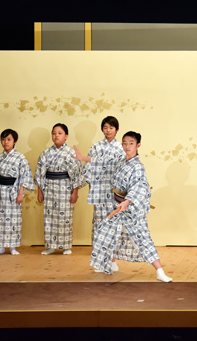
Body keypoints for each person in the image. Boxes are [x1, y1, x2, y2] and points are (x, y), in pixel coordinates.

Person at [90, 131, 172, 282]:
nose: (127, 146)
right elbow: (104, 163)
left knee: (143, 238)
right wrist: (83, 158)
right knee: (108, 232)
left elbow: (139, 186)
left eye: (131, 143)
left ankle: (160, 271)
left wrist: (127, 202)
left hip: (131, 207)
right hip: (116, 204)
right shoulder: (120, 161)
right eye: (124, 143)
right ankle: (111, 263)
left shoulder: (138, 167)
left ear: (138, 145)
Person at [72, 116, 129, 272]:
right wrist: (91, 186)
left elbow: (124, 169)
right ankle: (101, 260)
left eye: (111, 128)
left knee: (114, 224)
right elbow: (88, 169)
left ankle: (112, 259)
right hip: (99, 191)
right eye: (105, 127)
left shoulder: (121, 148)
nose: (108, 130)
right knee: (100, 225)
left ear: (117, 130)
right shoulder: (96, 147)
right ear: (102, 129)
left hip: (115, 191)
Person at [0, 129, 35, 256]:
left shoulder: (20, 158)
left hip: (13, 191)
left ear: (15, 141)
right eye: (3, 139)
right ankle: (0, 246)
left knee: (13, 219)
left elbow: (24, 176)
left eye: (9, 139)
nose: (5, 142)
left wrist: (21, 193)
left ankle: (12, 246)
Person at [34, 123, 84, 255]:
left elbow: (77, 174)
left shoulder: (71, 153)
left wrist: (75, 192)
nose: (56, 135)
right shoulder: (45, 153)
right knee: (49, 217)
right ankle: (51, 245)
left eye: (60, 133)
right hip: (49, 187)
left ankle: (66, 246)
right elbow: (40, 174)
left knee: (65, 217)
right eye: (54, 133)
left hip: (65, 187)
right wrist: (40, 191)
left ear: (66, 136)